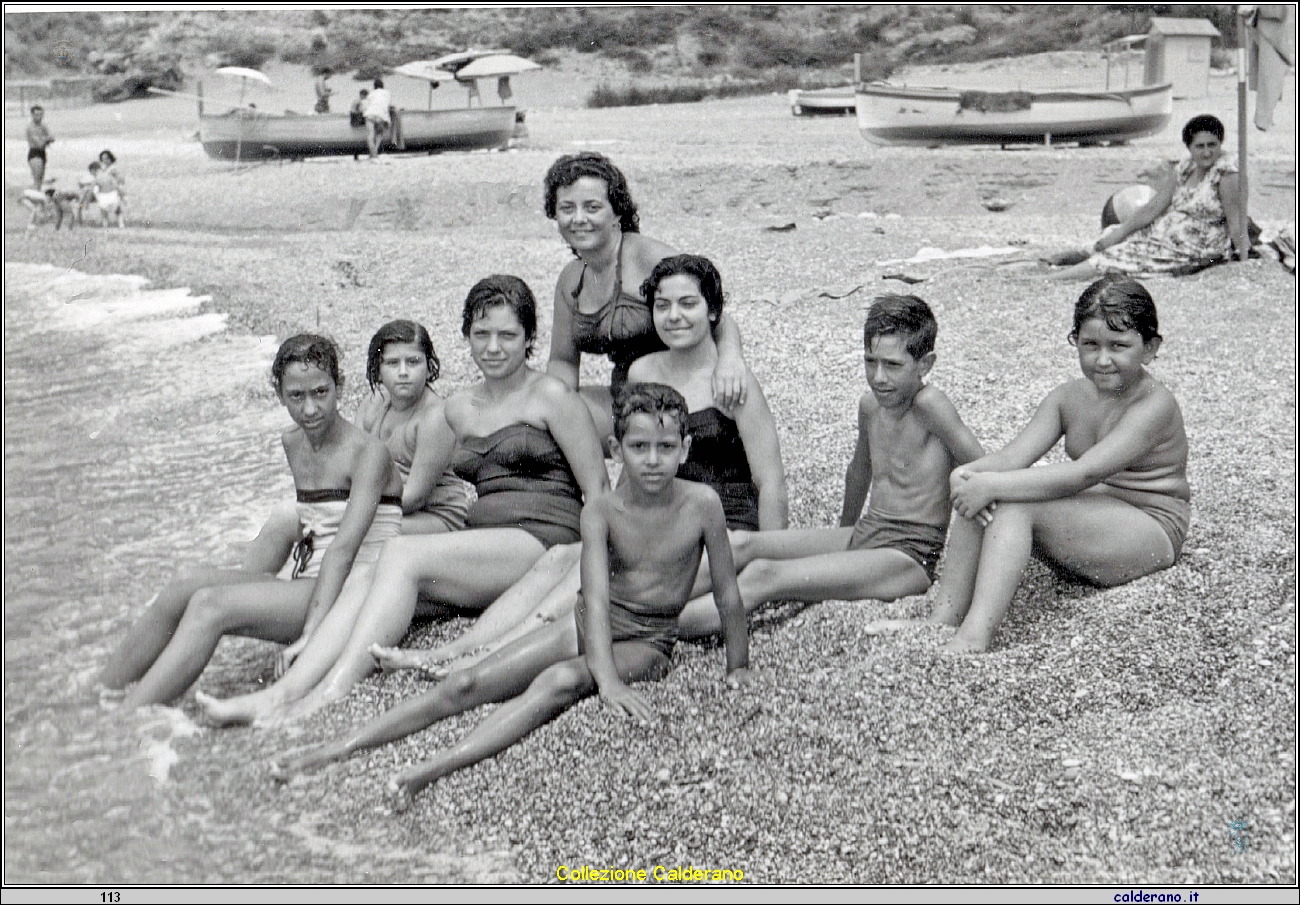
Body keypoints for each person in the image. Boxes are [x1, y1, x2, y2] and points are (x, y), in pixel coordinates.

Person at [269, 384, 751, 812]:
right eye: (639, 447)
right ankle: (339, 748)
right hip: (586, 624)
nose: (652, 460)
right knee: (463, 685)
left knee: (559, 681)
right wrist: (605, 677)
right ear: (616, 448)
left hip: (647, 642)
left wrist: (738, 669)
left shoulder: (702, 505)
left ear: (685, 449)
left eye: (665, 448)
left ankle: (430, 770)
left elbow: (729, 595)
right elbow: (595, 600)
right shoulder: (602, 509)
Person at [196, 276, 609, 726]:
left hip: (543, 537)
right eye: (481, 334)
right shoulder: (458, 408)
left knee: (399, 553)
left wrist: (585, 566)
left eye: (508, 335)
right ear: (466, 337)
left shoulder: (552, 396)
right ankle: (281, 692)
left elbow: (600, 493)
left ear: (529, 338)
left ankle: (329, 692)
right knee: (367, 572)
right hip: (486, 540)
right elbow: (392, 458)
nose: (493, 347)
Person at [372, 254, 788, 672]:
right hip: (659, 518)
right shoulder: (643, 372)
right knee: (560, 559)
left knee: (589, 575)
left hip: (722, 529)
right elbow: (634, 464)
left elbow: (769, 479)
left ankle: (489, 658)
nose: (674, 316)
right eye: (662, 306)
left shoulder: (733, 378)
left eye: (688, 305)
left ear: (712, 312)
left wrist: (773, 559)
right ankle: (454, 650)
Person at [869, 278, 1190, 652]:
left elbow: (1082, 473)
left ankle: (975, 635)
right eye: (1090, 345)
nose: (1103, 359)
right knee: (986, 489)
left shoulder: (1154, 405)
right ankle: (943, 617)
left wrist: (992, 486)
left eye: (1119, 346)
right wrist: (970, 475)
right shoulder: (1067, 397)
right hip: (1098, 515)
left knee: (1012, 502)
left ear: (1150, 349)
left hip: (1151, 528)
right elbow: (1011, 459)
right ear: (1076, 342)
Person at [97, 335, 404, 708]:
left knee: (211, 605)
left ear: (340, 386)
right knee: (184, 584)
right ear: (279, 394)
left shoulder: (368, 453)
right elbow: (314, 525)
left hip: (350, 591)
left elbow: (343, 550)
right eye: (296, 396)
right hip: (310, 582)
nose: (310, 409)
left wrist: (310, 635)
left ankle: (125, 722)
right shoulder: (294, 442)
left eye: (321, 392)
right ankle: (101, 693)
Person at [240, 321, 473, 579]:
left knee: (339, 534)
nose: (403, 372)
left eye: (414, 362)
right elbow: (351, 460)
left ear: (429, 367)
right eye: (393, 363)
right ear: (378, 369)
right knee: (284, 516)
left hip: (432, 519)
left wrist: (344, 511)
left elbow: (414, 497)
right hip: (377, 504)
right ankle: (245, 583)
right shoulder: (374, 403)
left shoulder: (435, 417)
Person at [1050, 115, 1247, 280]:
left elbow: (1236, 221)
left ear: (1221, 143)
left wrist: (1244, 257)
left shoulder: (1226, 174)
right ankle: (1066, 263)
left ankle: (1052, 279)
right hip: (1167, 235)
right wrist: (1120, 233)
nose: (1207, 152)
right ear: (1189, 148)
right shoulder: (1187, 168)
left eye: (1212, 145)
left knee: (1122, 254)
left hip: (1196, 247)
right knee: (1114, 235)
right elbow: (1154, 207)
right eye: (1200, 146)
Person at [26, 105, 53, 189]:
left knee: (40, 179)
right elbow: (39, 143)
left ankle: (36, 196)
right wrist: (46, 139)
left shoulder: (43, 126)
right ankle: (34, 196)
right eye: (37, 114)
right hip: (34, 153)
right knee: (37, 179)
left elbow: (52, 137)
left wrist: (45, 139)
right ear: (32, 115)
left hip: (42, 153)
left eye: (41, 114)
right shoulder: (30, 127)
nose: (40, 117)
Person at [364, 79, 392, 160]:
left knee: (370, 134)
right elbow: (387, 104)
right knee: (379, 134)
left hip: (370, 114)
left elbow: (366, 105)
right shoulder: (387, 93)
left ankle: (372, 153)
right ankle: (375, 151)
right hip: (381, 115)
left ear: (374, 86)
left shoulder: (371, 94)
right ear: (383, 85)